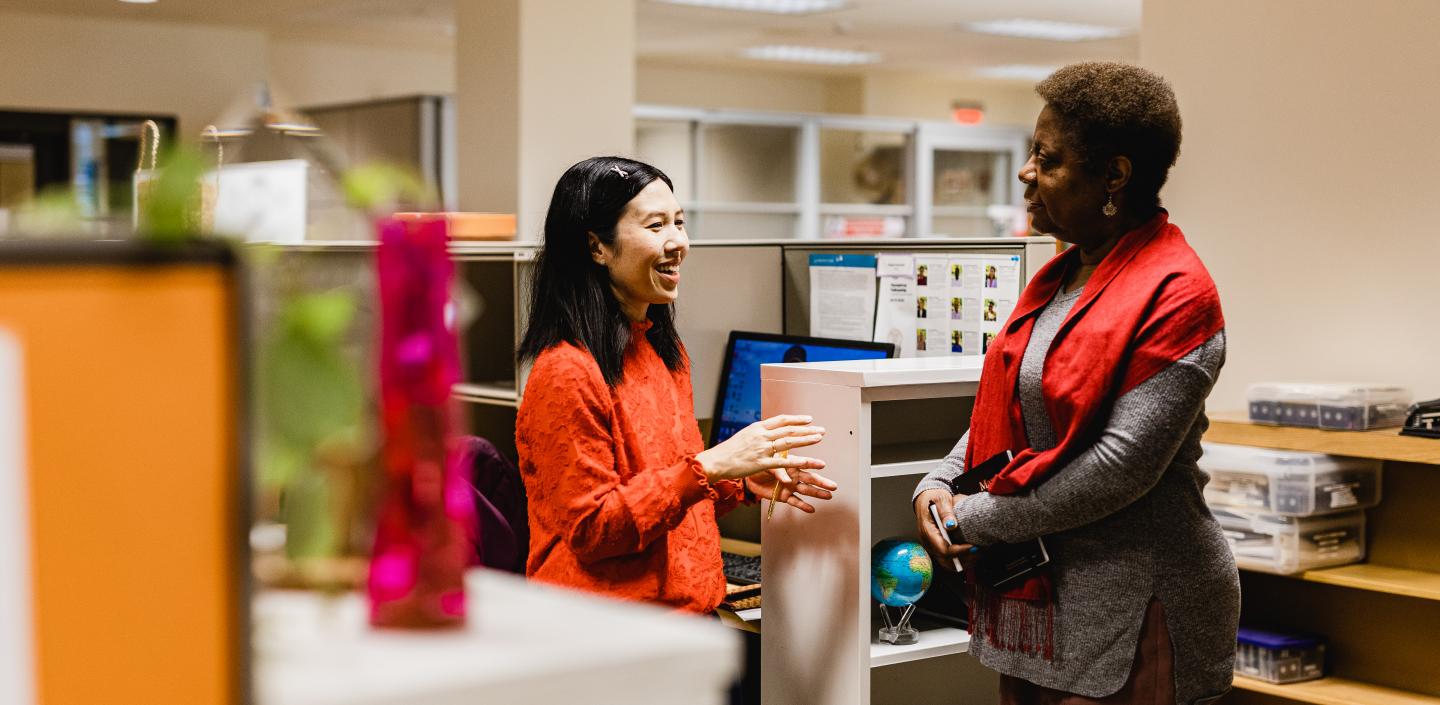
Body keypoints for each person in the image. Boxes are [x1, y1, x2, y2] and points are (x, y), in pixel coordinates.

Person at [912, 62, 1236, 705]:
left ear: (1114, 176)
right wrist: (941, 480)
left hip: (1137, 604)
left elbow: (1120, 467)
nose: (1026, 171)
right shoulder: (1060, 278)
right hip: (1041, 599)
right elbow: (1009, 406)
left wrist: (973, 516)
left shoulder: (1177, 295)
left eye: (1047, 157)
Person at [517, 156, 837, 615]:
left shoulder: (664, 352)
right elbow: (593, 530)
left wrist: (740, 481)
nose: (679, 243)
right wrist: (709, 468)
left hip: (686, 619)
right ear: (596, 246)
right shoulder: (566, 371)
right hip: (606, 634)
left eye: (680, 223)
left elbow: (668, 492)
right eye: (655, 226)